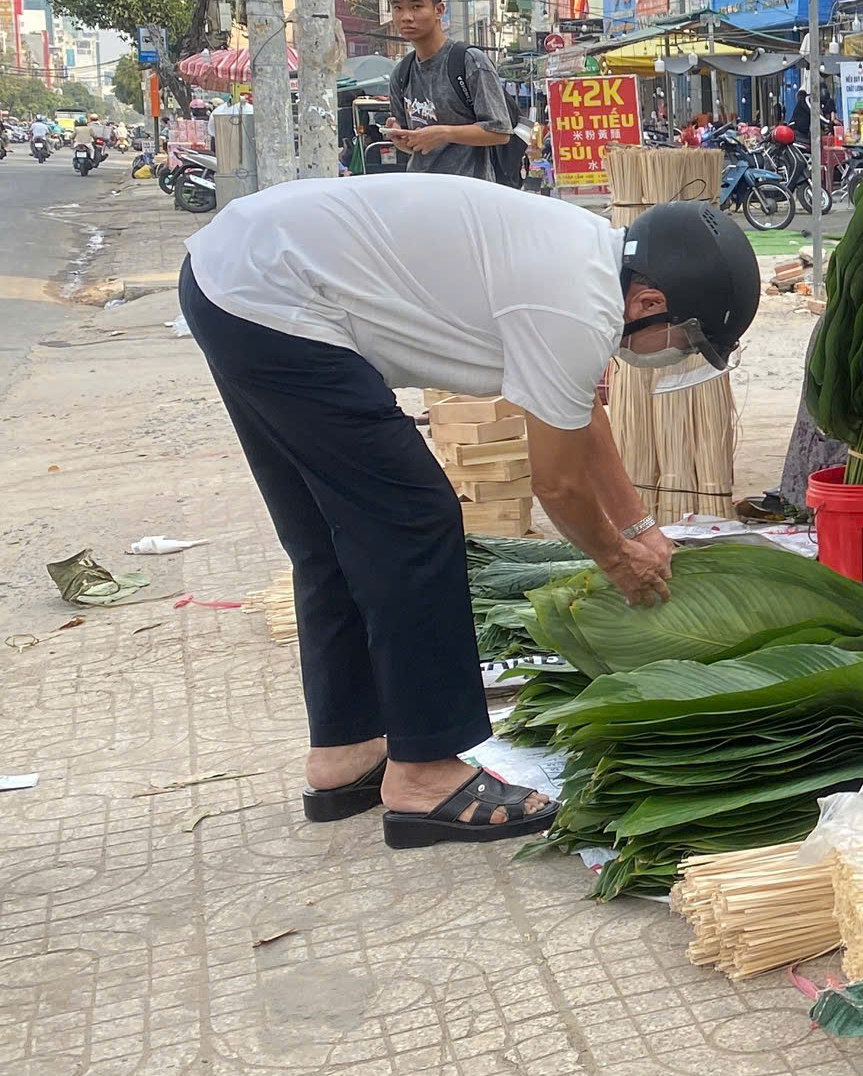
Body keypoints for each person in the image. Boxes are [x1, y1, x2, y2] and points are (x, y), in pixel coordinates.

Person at [177, 173, 761, 848]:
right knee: (415, 516)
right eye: (684, 341)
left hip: (235, 279)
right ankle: (424, 772)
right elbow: (559, 487)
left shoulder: (585, 261)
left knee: (329, 535)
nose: (673, 355)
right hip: (275, 296)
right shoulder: (578, 307)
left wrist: (640, 529)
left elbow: (577, 418)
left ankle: (346, 751)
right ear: (652, 301)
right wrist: (617, 561)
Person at [380, 0, 520, 183]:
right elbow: (416, 146)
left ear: (439, 10)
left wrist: (444, 133)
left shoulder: (469, 62)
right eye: (398, 8)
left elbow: (500, 132)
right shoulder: (401, 72)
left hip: (469, 194)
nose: (406, 16)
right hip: (421, 192)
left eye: (416, 7)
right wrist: (401, 139)